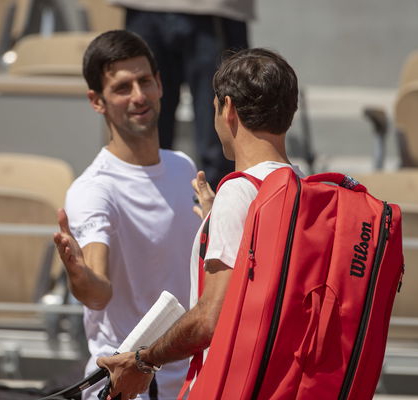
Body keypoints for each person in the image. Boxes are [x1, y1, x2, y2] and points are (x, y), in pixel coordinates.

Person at [96, 48, 304, 400]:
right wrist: (216, 217)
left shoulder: (238, 194)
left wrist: (143, 362)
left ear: (228, 109)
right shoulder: (306, 188)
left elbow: (211, 319)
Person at [53, 30, 203, 400]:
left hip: (192, 384)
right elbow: (99, 291)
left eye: (144, 81)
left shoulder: (183, 167)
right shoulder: (92, 190)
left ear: (160, 85)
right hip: (127, 389)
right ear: (97, 101)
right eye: (122, 87)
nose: (138, 96)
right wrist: (80, 275)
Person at [107, 0, 255, 190]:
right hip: (143, 7)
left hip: (215, 9)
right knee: (141, 131)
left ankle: (222, 212)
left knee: (222, 133)